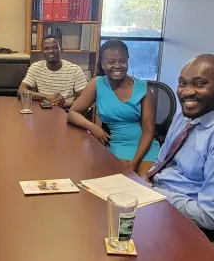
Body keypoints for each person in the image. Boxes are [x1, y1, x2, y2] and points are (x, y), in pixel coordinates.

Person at [142, 54, 214, 240]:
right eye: (182, 83)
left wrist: (155, 194)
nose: (187, 92)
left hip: (187, 227)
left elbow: (209, 216)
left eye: (199, 84)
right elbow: (161, 160)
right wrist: (145, 178)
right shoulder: (185, 115)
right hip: (157, 202)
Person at [67, 39, 160, 175]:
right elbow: (73, 113)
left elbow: (148, 129)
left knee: (145, 181)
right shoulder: (97, 84)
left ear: (127, 61)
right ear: (103, 64)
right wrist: (93, 128)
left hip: (146, 146)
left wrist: (135, 162)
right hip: (118, 145)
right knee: (120, 181)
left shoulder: (143, 87)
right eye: (111, 62)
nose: (117, 66)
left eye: (122, 61)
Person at [18, 35, 88, 109]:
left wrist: (65, 104)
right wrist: (47, 97)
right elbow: (21, 91)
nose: (50, 51)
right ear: (42, 52)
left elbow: (86, 99)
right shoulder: (35, 68)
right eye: (46, 48)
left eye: (55, 47)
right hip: (43, 110)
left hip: (67, 111)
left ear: (61, 50)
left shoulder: (75, 70)